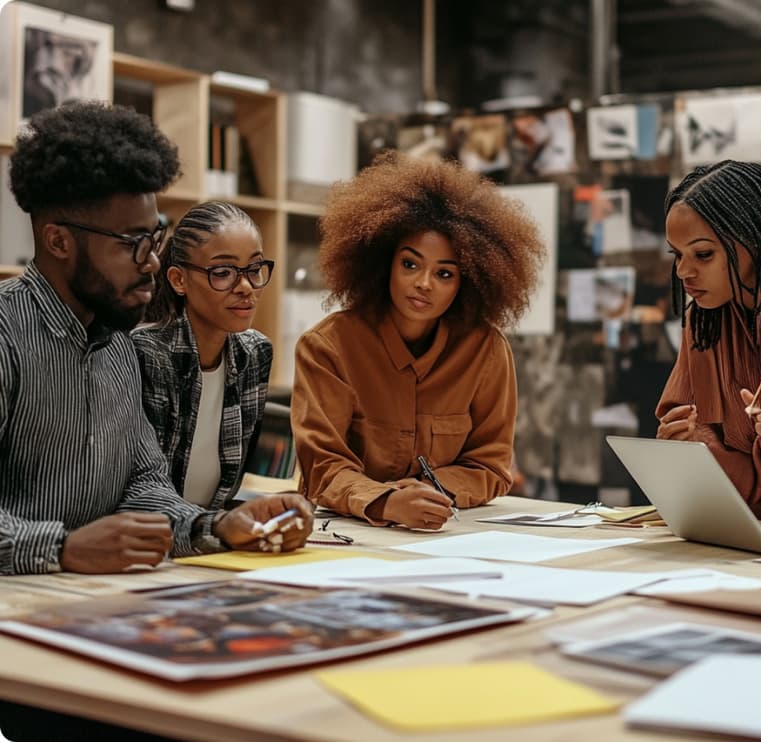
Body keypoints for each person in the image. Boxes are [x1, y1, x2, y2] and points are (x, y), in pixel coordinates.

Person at [0, 101, 312, 581]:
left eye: (155, 238)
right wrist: (62, 548)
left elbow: (145, 485)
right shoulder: (6, 333)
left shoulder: (117, 345)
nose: (150, 263)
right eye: (132, 243)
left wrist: (222, 525)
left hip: (93, 600)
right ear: (59, 241)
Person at [291, 151, 544, 530]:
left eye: (445, 274)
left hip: (448, 533)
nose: (424, 283)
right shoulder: (327, 348)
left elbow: (490, 465)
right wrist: (387, 502)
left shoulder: (485, 351)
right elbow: (323, 466)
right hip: (352, 535)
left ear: (467, 283)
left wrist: (430, 490)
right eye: (410, 264)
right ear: (383, 262)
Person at [655, 160, 761, 526]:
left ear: (756, 241)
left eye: (703, 254)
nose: (683, 272)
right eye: (677, 255)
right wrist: (691, 445)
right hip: (751, 536)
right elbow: (743, 480)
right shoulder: (703, 325)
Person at [132, 201, 274, 509]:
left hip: (212, 540)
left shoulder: (255, 352)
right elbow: (142, 489)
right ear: (178, 280)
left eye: (254, 269)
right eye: (223, 273)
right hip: (153, 537)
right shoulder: (146, 353)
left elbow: (229, 488)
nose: (246, 286)